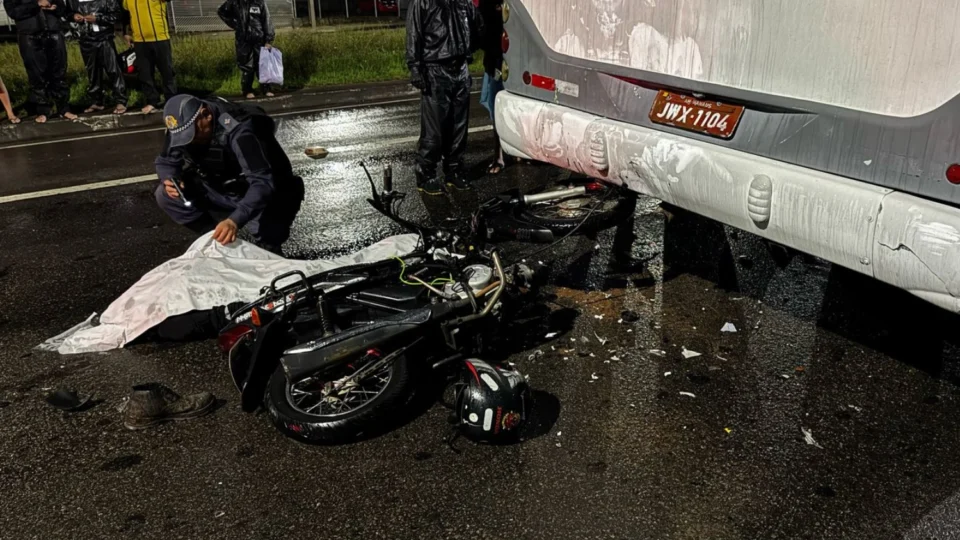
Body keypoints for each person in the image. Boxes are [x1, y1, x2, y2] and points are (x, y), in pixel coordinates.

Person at [154, 94, 304, 255]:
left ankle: (268, 248)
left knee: (269, 244)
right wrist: (169, 179)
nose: (189, 141)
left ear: (206, 115)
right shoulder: (183, 126)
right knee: (164, 195)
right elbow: (165, 162)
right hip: (220, 187)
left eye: (192, 134)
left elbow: (262, 183)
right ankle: (215, 238)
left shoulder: (239, 131)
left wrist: (234, 221)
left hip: (266, 192)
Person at [405, 0, 483, 195]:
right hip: (435, 69)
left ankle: (454, 170)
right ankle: (425, 173)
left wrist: (470, 48)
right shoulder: (422, 2)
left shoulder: (464, 2)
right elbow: (414, 32)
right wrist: (415, 67)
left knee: (458, 126)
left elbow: (477, 25)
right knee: (435, 129)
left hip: (460, 69)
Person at [2, 0, 77, 123]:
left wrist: (55, 8)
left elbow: (62, 9)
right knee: (37, 75)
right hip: (29, 36)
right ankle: (43, 110)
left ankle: (63, 108)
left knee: (59, 72)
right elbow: (13, 12)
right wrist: (36, 5)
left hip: (53, 33)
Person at [70, 0, 128, 114]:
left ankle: (121, 100)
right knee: (92, 72)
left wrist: (98, 18)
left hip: (105, 37)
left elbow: (117, 15)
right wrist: (73, 16)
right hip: (85, 39)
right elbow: (67, 13)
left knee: (113, 70)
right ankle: (96, 101)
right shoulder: (73, 1)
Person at [122, 0, 176, 114]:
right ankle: (152, 101)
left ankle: (171, 100)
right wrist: (126, 32)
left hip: (160, 38)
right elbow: (126, 13)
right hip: (139, 40)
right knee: (145, 73)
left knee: (167, 71)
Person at [217, 0, 276, 99]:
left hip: (259, 38)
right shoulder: (235, 2)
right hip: (243, 39)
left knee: (262, 63)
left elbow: (266, 20)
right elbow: (221, 11)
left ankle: (266, 89)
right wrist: (234, 23)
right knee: (246, 65)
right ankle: (247, 90)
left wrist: (268, 39)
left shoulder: (259, 2)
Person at [478, 0, 504, 175]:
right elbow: (483, 29)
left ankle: (516, 151)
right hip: (496, 59)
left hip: (515, 59)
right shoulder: (487, 5)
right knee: (497, 109)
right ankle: (499, 155)